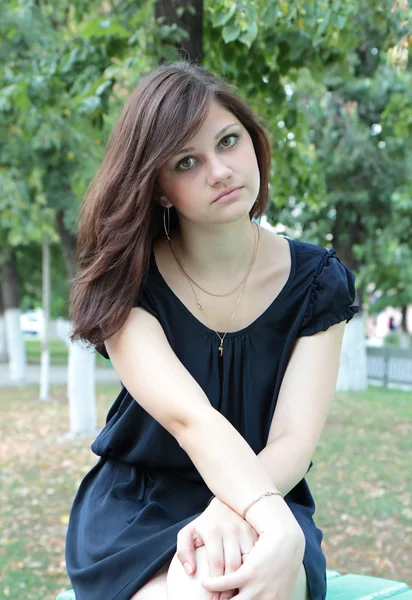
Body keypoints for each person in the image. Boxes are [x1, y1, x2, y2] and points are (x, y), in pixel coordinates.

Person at [66, 60, 359, 600]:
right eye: (187, 161)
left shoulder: (319, 282)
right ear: (157, 188)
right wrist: (259, 517)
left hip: (267, 487)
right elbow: (189, 418)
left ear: (253, 140)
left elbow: (293, 440)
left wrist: (244, 511)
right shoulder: (128, 284)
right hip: (140, 509)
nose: (219, 171)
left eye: (228, 141)